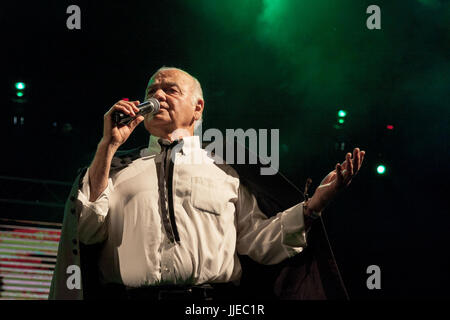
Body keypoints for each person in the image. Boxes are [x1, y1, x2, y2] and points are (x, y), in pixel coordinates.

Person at [49, 67, 365, 300]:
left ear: (198, 107)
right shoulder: (116, 169)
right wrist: (108, 145)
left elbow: (258, 243)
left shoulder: (224, 170)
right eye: (150, 91)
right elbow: (86, 230)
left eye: (170, 90)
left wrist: (313, 206)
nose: (156, 96)